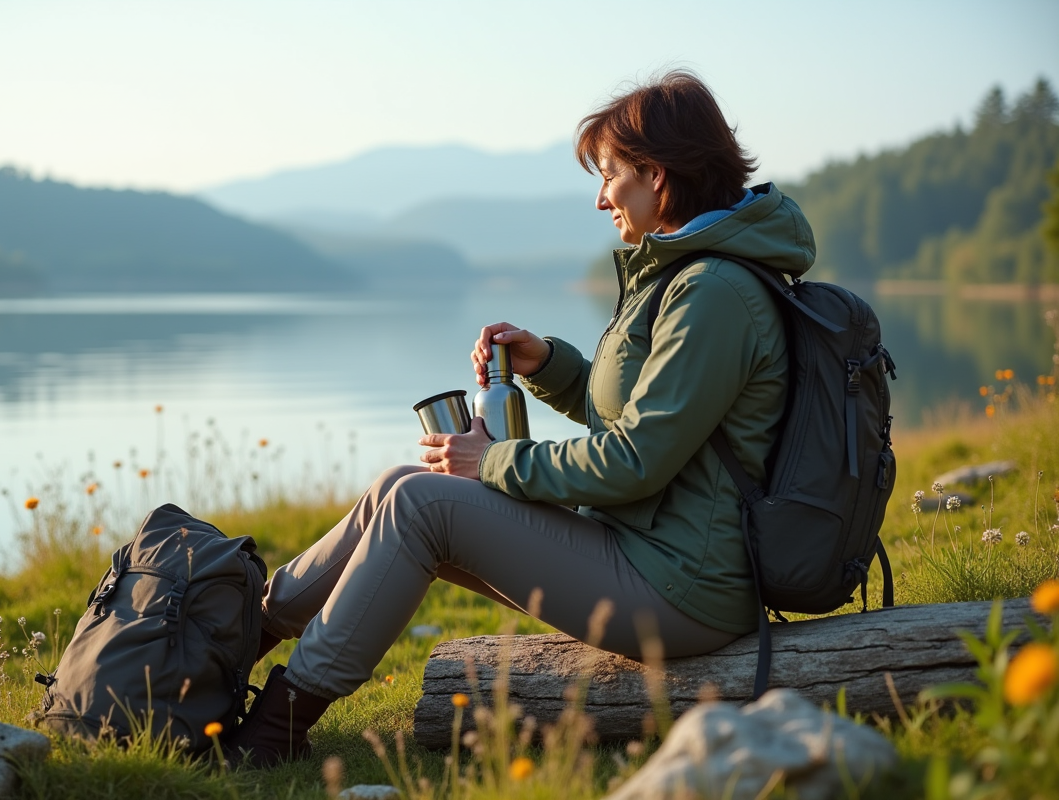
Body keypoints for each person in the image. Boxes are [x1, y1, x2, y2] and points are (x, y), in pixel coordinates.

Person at [223, 69, 814, 766]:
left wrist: (491, 464)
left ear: (655, 176)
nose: (601, 199)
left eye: (610, 176)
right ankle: (232, 638)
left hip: (681, 588)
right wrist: (549, 364)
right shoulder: (691, 272)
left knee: (421, 503)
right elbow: (650, 413)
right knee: (397, 485)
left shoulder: (712, 290)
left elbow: (637, 460)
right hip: (649, 552)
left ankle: (270, 734)